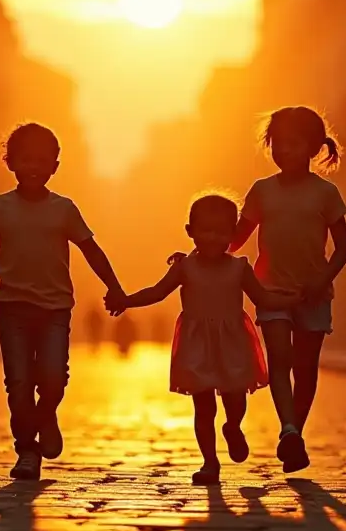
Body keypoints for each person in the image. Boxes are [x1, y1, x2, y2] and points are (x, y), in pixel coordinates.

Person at [0, 123, 127, 481]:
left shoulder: (64, 209)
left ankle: (46, 413)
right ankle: (26, 449)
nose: (34, 166)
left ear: (55, 166)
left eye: (43, 159)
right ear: (11, 163)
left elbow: (91, 250)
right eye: (26, 159)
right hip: (12, 308)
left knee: (53, 377)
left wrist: (115, 287)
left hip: (55, 308)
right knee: (19, 382)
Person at [112, 194, 293, 484]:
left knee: (235, 399)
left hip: (232, 344)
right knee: (204, 406)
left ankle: (233, 427)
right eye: (205, 230)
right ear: (190, 232)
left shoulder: (239, 268)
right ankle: (210, 462)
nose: (212, 237)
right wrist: (127, 300)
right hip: (196, 347)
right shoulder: (185, 267)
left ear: (233, 235)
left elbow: (262, 298)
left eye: (221, 231)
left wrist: (290, 300)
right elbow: (157, 292)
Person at [221, 106, 346, 474]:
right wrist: (205, 241)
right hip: (272, 292)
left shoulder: (326, 193)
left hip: (314, 293)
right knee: (280, 360)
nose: (283, 151)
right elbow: (236, 240)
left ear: (312, 147)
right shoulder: (262, 191)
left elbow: (343, 248)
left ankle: (294, 431)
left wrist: (322, 279)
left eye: (292, 144)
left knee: (306, 368)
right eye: (277, 144)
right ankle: (289, 430)